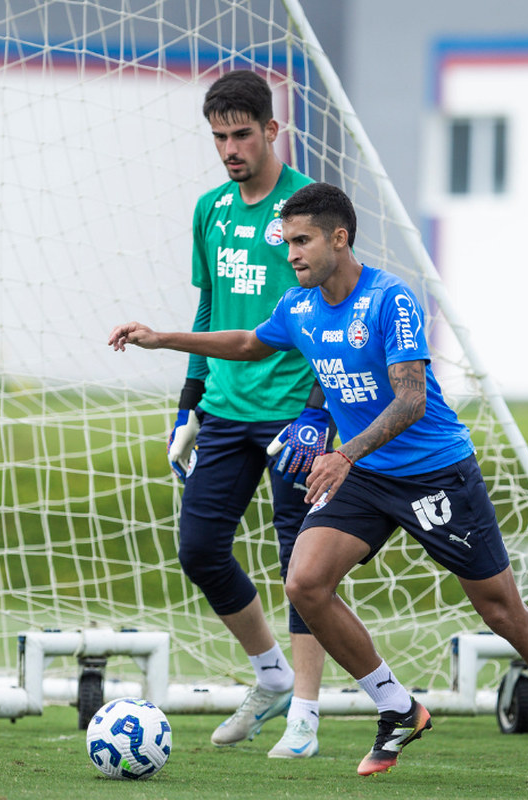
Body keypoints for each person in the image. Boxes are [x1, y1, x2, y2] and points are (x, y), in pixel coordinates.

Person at [108, 182, 528, 789]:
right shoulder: (299, 307)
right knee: (304, 581)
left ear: (339, 238)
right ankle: (397, 708)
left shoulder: (390, 300)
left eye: (302, 242)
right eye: (288, 242)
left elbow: (411, 398)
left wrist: (342, 453)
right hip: (366, 475)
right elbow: (249, 343)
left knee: (500, 610)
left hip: (434, 474)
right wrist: (163, 338)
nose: (291, 254)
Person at [165, 69, 331, 759]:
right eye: (218, 138)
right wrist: (189, 403)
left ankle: (306, 712)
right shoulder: (210, 209)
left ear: (271, 129)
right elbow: (208, 312)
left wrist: (321, 414)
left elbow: (332, 313)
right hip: (227, 410)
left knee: (303, 566)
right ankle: (268, 674)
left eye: (240, 134)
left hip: (293, 412)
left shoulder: (308, 206)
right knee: (199, 548)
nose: (229, 148)